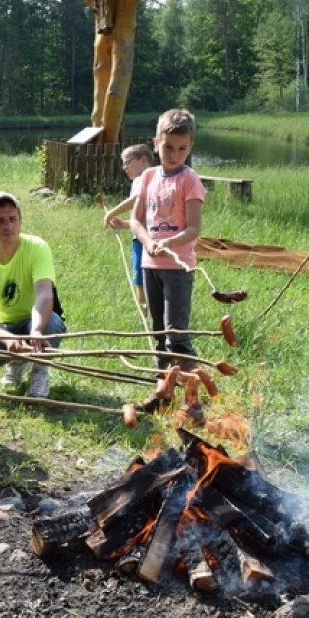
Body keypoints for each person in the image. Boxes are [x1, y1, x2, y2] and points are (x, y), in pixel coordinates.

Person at [129, 109, 207, 413]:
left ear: (190, 148)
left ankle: (192, 401)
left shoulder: (190, 180)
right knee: (158, 333)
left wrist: (168, 243)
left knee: (177, 335)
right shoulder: (148, 176)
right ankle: (163, 392)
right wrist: (148, 242)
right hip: (151, 266)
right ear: (156, 143)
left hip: (178, 267)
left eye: (182, 149)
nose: (174, 154)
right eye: (168, 147)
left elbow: (194, 228)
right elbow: (136, 220)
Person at [0, 192, 67, 399]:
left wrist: (36, 331)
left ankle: (40, 368)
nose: (8, 226)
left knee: (52, 324)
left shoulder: (37, 247)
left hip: (38, 321)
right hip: (7, 326)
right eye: (0, 220)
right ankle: (17, 359)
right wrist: (6, 338)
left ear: (20, 221)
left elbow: (44, 295)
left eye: (13, 219)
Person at [103, 143, 154, 311]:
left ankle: (144, 317)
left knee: (140, 282)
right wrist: (125, 224)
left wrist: (110, 213)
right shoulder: (149, 178)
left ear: (144, 160)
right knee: (148, 280)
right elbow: (143, 215)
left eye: (128, 162)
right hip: (148, 236)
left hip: (144, 241)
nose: (124, 168)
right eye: (123, 163)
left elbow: (134, 200)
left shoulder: (144, 177)